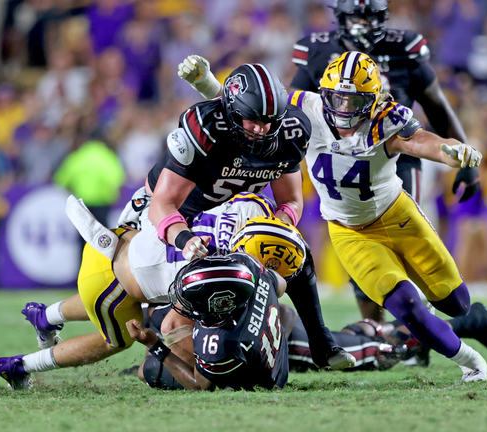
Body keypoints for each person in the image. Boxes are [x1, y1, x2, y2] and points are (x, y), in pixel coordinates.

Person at [177, 51, 487, 381]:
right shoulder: (307, 109)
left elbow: (424, 141)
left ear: (373, 100)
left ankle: (458, 318)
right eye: (336, 99)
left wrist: (451, 152)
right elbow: (250, 105)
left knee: (456, 303)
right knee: (407, 305)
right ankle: (471, 362)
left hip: (398, 215)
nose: (343, 109)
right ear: (323, 93)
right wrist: (207, 84)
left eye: (353, 101)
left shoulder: (386, 118)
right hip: (350, 231)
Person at [124, 61, 354, 370]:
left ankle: (321, 341)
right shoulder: (204, 129)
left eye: (270, 121)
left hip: (232, 212)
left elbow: (291, 201)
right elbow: (161, 204)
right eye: (253, 120)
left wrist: (279, 228)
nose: (262, 129)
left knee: (292, 248)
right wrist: (185, 239)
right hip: (178, 216)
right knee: (133, 313)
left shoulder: (291, 132)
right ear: (232, 115)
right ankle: (161, 359)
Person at [0, 192, 311, 390]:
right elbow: (171, 322)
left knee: (139, 303)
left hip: (116, 242)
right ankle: (20, 365)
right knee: (119, 339)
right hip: (111, 283)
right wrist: (162, 345)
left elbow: (158, 195)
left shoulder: (245, 208)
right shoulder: (216, 277)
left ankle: (45, 316)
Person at [290, 0, 478, 323]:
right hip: (340, 156)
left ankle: (416, 330)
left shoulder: (403, 47)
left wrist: (466, 161)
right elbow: (292, 114)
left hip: (398, 151)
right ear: (340, 17)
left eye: (369, 16)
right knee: (360, 247)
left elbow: (437, 106)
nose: (362, 23)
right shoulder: (319, 51)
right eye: (356, 16)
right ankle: (377, 329)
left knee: (407, 245)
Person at [131, 299, 487, 390]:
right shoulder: (176, 313)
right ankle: (459, 325)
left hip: (291, 343)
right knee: (370, 338)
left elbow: (201, 380)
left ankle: (468, 320)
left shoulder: (185, 305)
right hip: (289, 346)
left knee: (383, 348)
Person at [126, 252, 289, 391]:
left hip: (260, 377)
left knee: (147, 369)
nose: (184, 301)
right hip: (272, 350)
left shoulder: (219, 344)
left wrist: (155, 346)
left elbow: (199, 384)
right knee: (171, 323)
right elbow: (281, 284)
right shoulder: (248, 266)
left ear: (218, 306)